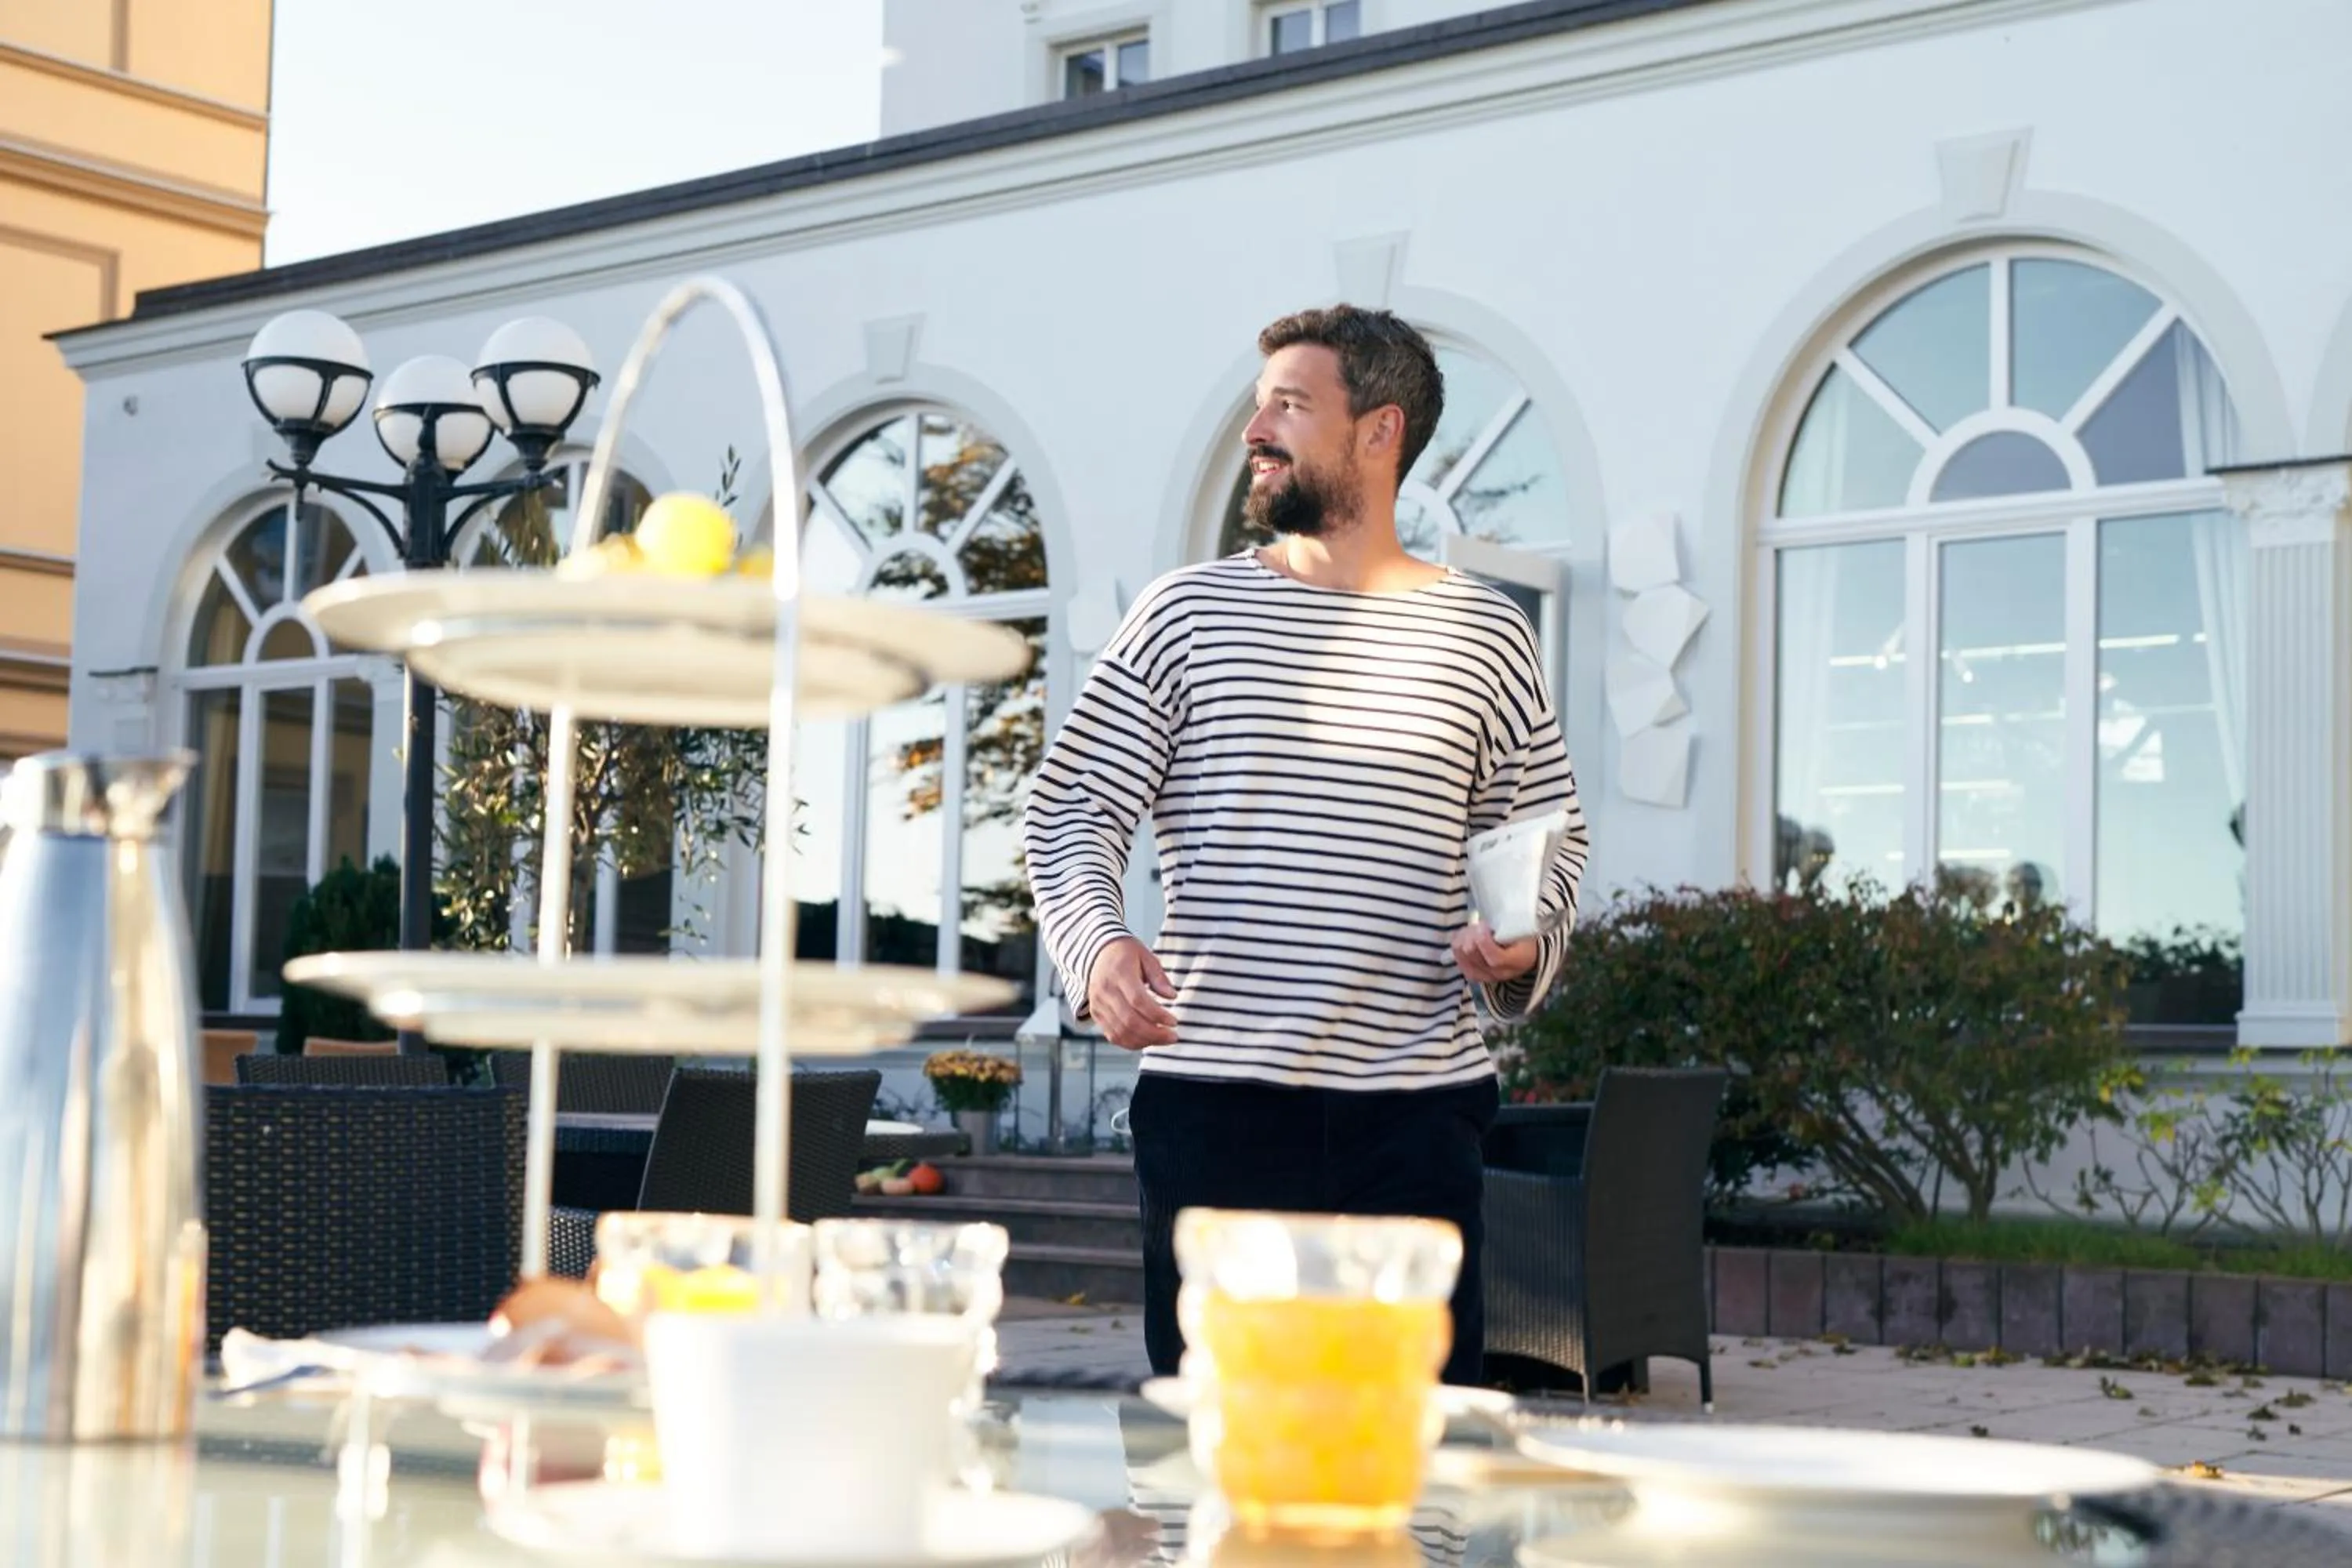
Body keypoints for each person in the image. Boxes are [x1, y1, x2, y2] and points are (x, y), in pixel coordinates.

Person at [1021, 305, 1588, 1388]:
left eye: (1289, 404)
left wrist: (1523, 949)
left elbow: (1542, 837)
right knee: (1224, 1466)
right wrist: (1097, 949)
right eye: (1256, 405)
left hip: (1416, 1122)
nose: (1256, 429)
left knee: (1412, 1468)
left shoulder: (1485, 633)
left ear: (1380, 432)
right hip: (1216, 1113)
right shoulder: (1187, 615)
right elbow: (1073, 805)